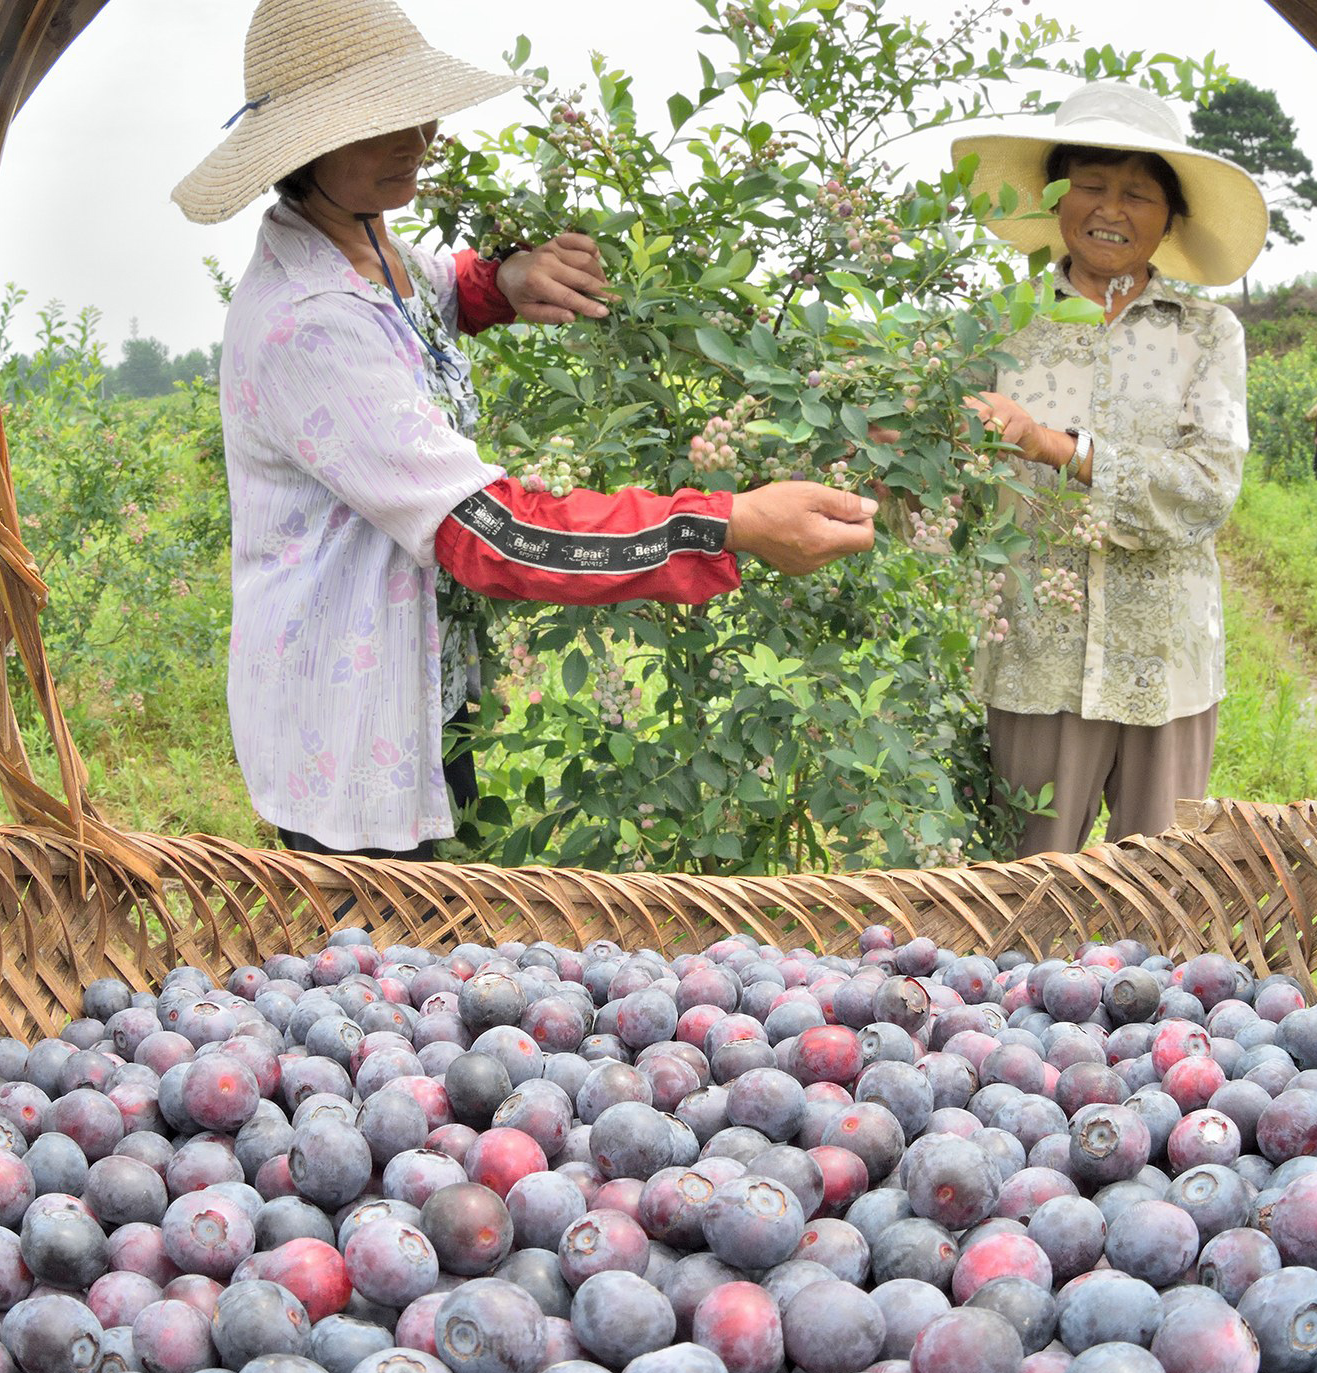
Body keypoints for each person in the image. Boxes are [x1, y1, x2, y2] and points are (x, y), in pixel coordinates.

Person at [172, 0, 876, 860]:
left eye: (416, 108)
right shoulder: (312, 320)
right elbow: (492, 535)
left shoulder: (357, 247)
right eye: (378, 121)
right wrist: (730, 523)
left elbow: (426, 293)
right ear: (304, 150)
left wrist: (504, 281)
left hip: (413, 680)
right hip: (349, 718)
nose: (418, 137)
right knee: (367, 964)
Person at [949, 80, 1268, 857]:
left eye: (1136, 193)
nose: (1110, 208)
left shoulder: (1207, 335)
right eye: (1090, 184)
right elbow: (946, 487)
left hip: (1167, 665)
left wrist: (1058, 447)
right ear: (1056, 198)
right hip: (1032, 658)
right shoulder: (997, 327)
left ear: (1170, 217)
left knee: (1162, 898)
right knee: (1020, 901)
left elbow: (1206, 490)